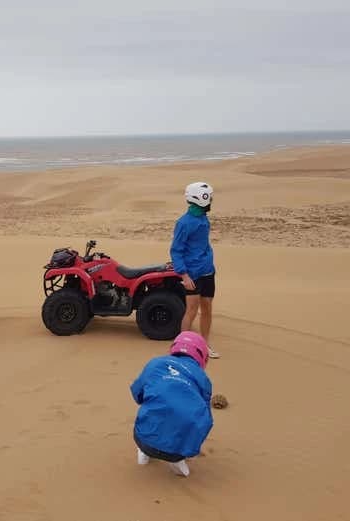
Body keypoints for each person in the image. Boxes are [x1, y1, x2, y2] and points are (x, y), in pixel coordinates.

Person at [130, 331, 214, 477]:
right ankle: (178, 456)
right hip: (179, 451)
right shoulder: (203, 379)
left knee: (151, 408)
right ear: (202, 357)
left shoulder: (155, 363)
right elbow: (206, 418)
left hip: (142, 439)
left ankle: (144, 451)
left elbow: (137, 393)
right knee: (195, 416)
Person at [170, 181, 220, 358]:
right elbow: (176, 250)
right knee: (191, 310)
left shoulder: (203, 218)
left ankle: (204, 345)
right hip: (191, 273)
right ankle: (182, 347)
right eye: (209, 198)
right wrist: (184, 275)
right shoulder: (184, 223)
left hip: (207, 271)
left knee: (207, 308)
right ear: (200, 198)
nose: (211, 200)